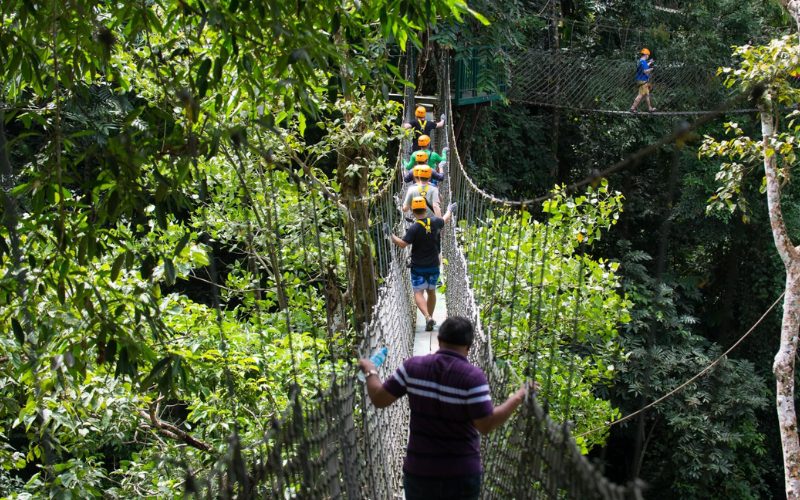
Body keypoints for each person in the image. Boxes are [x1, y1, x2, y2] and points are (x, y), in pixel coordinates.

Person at [358, 316, 533, 500]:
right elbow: (486, 425)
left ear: (439, 340)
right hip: (460, 475)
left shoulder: (412, 368)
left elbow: (379, 399)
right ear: (468, 347)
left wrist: (371, 370)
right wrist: (518, 396)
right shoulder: (473, 378)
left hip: (420, 473)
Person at [385, 196, 453, 330]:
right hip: (434, 265)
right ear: (425, 209)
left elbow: (403, 244)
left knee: (418, 293)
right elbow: (445, 219)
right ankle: (430, 317)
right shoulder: (435, 222)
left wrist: (390, 235)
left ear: (412, 211)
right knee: (432, 292)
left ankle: (427, 317)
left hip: (418, 268)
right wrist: (450, 210)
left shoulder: (414, 228)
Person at [630, 48, 656, 113]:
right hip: (643, 81)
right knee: (640, 95)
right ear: (646, 55)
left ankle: (650, 108)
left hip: (641, 80)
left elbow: (644, 67)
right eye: (648, 55)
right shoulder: (643, 62)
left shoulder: (640, 61)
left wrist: (650, 62)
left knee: (647, 94)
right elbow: (645, 71)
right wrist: (652, 69)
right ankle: (632, 108)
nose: (648, 57)